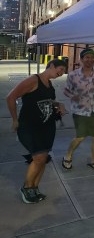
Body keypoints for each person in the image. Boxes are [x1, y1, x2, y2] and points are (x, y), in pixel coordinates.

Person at [7, 59, 68, 204]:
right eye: (59, 69)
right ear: (51, 66)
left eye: (63, 72)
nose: (60, 73)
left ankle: (35, 188)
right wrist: (15, 120)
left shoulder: (50, 84)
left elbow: (48, 100)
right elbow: (10, 97)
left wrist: (58, 104)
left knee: (43, 159)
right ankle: (27, 188)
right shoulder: (33, 80)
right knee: (38, 158)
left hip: (47, 127)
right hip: (30, 126)